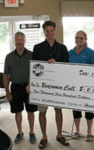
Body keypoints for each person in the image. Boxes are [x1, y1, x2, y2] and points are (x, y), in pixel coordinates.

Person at [26, 21, 69, 149]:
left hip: (57, 85)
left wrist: (56, 63)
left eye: (51, 31)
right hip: (42, 86)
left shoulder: (62, 48)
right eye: (47, 31)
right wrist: (30, 83)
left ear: (55, 31)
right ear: (44, 32)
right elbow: (34, 68)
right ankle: (44, 137)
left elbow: (67, 67)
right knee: (42, 111)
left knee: (58, 110)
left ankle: (59, 134)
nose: (49, 33)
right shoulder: (37, 48)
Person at [3, 32, 37, 144]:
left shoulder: (31, 55)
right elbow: (6, 75)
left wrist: (30, 83)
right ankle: (20, 132)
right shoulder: (9, 57)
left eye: (21, 39)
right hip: (15, 87)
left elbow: (36, 72)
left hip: (29, 87)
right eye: (17, 39)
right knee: (18, 112)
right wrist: (7, 92)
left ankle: (32, 132)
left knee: (30, 111)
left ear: (25, 41)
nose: (19, 42)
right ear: (14, 41)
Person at [68, 30, 94, 141]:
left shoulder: (90, 53)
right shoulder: (70, 53)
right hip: (74, 86)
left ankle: (89, 132)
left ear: (85, 40)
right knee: (76, 109)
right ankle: (77, 130)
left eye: (81, 38)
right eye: (77, 38)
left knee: (88, 109)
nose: (79, 40)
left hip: (87, 86)